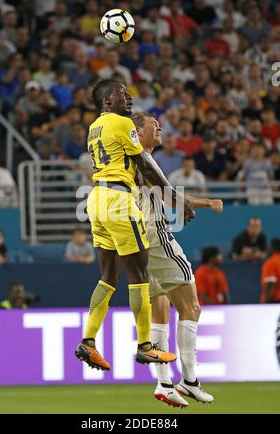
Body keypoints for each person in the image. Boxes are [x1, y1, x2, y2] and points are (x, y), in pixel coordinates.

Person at [75, 79, 194, 371]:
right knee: (139, 273)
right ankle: (145, 346)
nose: (128, 98)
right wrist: (174, 196)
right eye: (121, 94)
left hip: (97, 199)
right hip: (119, 200)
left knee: (108, 276)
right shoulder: (120, 123)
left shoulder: (94, 127)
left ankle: (87, 342)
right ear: (106, 101)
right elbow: (144, 162)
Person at [132, 112, 223, 407]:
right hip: (157, 237)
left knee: (159, 310)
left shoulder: (127, 160)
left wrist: (188, 202)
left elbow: (167, 193)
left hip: (137, 243)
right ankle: (190, 380)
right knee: (191, 306)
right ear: (137, 131)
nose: (159, 127)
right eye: (152, 125)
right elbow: (169, 194)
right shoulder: (142, 157)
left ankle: (163, 383)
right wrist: (207, 202)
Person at [260, 239, 280, 303]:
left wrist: (266, 303)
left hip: (276, 301)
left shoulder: (271, 263)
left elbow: (270, 284)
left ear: (271, 248)